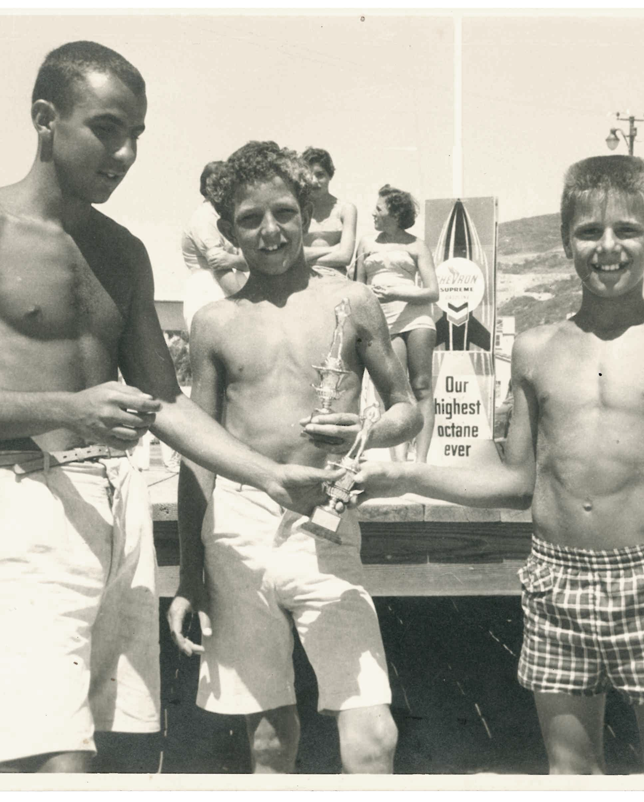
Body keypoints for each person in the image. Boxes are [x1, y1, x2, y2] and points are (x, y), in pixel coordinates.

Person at [0, 42, 336, 774]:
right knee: (52, 758)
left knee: (122, 753)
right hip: (27, 503)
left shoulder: (122, 249)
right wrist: (72, 406)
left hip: (122, 508)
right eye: (107, 128)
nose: (128, 151)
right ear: (46, 118)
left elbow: (162, 401)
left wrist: (270, 476)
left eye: (138, 133)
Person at [357, 155, 644, 775]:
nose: (608, 247)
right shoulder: (535, 350)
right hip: (555, 581)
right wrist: (402, 474)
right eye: (589, 232)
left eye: (628, 231)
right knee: (570, 773)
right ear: (566, 240)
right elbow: (515, 483)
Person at [167, 141, 422, 774]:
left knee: (372, 730)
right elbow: (199, 452)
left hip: (324, 525)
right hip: (238, 530)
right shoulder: (216, 323)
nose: (271, 230)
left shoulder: (352, 302)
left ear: (308, 214)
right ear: (227, 230)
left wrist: (364, 432)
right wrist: (188, 576)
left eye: (284, 212)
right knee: (268, 737)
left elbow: (405, 408)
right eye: (250, 219)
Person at [355, 185, 439, 462]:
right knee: (394, 391)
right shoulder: (366, 243)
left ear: (395, 214)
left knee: (422, 386)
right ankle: (399, 462)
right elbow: (357, 286)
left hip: (416, 318)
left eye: (379, 209)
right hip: (382, 323)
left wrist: (396, 293)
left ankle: (421, 462)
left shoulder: (416, 245)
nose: (373, 213)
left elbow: (433, 291)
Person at [181, 160, 248, 333]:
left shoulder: (225, 217)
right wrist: (250, 306)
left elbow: (252, 260)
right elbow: (220, 267)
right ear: (208, 188)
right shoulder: (204, 218)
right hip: (210, 289)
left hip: (230, 288)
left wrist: (235, 260)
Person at [300, 146, 357, 276]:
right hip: (300, 277)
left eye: (320, 175)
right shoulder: (297, 210)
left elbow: (345, 257)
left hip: (335, 277)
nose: (314, 181)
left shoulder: (345, 209)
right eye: (308, 175)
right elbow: (290, 255)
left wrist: (305, 255)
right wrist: (333, 249)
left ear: (329, 175)